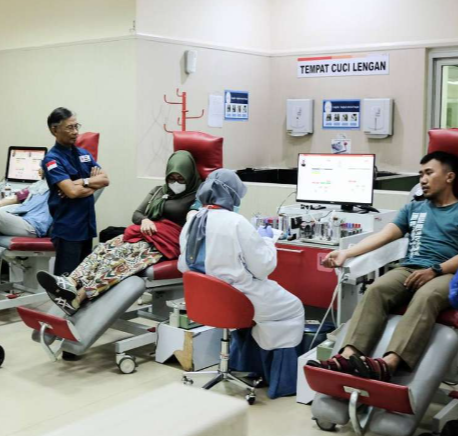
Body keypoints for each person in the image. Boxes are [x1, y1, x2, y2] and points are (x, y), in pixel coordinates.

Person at [309, 151, 458, 382]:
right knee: (376, 289)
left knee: (426, 296)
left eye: (429, 173)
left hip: (448, 273)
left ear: (449, 177)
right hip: (410, 268)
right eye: (420, 174)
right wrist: (347, 252)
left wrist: (435, 270)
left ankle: (389, 364)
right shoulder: (414, 208)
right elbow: (384, 235)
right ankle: (348, 357)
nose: (422, 180)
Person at [178, 169, 305, 398]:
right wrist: (267, 239)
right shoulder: (236, 222)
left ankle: (243, 362)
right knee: (293, 308)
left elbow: (183, 264)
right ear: (232, 195)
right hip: (238, 298)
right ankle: (279, 379)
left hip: (204, 300)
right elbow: (263, 267)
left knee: (266, 310)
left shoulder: (192, 220)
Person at [37, 150, 201, 316]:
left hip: (166, 243)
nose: (176, 182)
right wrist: (145, 220)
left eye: (181, 178)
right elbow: (137, 214)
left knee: (120, 256)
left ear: (190, 176)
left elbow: (194, 224)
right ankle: (70, 282)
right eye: (172, 178)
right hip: (144, 234)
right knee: (105, 248)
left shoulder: (196, 196)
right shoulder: (159, 191)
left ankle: (78, 298)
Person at [41, 107, 110, 276]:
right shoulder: (52, 160)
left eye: (76, 126)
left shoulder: (84, 154)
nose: (75, 132)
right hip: (68, 230)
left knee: (82, 280)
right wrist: (92, 184)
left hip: (87, 227)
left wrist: (82, 182)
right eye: (69, 127)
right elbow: (72, 192)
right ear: (55, 130)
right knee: (66, 282)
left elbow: (105, 180)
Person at [0, 173, 52, 239]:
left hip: (33, 225)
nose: (39, 170)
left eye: (42, 168)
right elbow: (16, 198)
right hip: (20, 218)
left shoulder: (58, 186)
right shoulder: (39, 185)